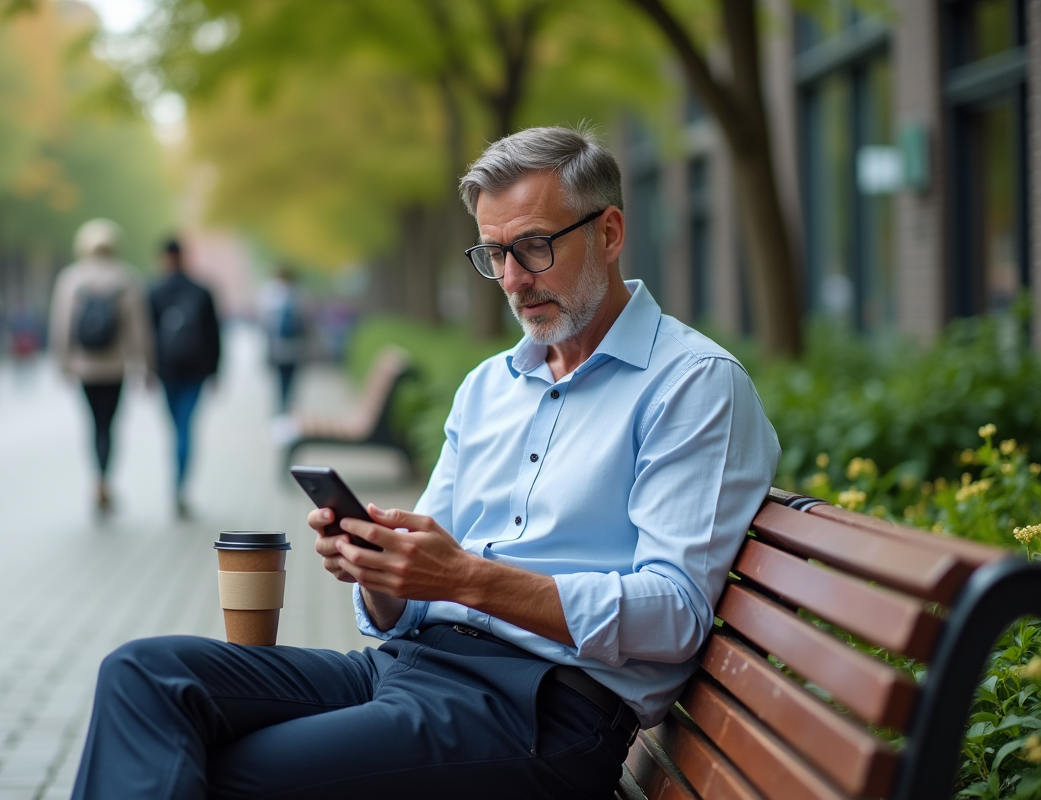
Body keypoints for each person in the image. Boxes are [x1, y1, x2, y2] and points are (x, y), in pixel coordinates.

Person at [70, 126, 781, 799]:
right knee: (143, 676)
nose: (511, 278)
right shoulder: (487, 387)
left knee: (225, 775)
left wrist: (469, 579)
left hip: (543, 712)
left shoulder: (691, 385)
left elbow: (677, 613)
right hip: (408, 670)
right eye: (493, 254)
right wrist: (379, 568)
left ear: (610, 232)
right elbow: (402, 604)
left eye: (534, 247)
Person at [48, 219, 155, 517]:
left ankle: (97, 479)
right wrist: (146, 366)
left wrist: (62, 363)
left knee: (93, 425)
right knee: (110, 425)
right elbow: (139, 329)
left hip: (85, 367)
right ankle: (106, 480)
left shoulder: (70, 279)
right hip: (116, 367)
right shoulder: (127, 279)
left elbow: (60, 326)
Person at [148, 237, 221, 519]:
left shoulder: (155, 291)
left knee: (175, 427)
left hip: (167, 371)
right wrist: (216, 370)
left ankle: (176, 484)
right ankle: (181, 486)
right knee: (186, 426)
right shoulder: (202, 291)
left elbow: (148, 335)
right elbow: (215, 334)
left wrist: (147, 370)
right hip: (196, 371)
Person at [258, 266, 306, 415]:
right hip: (294, 346)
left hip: (278, 346)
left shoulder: (270, 294)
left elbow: (264, 322)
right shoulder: (298, 294)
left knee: (280, 379)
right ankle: (287, 407)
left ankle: (281, 408)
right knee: (291, 379)